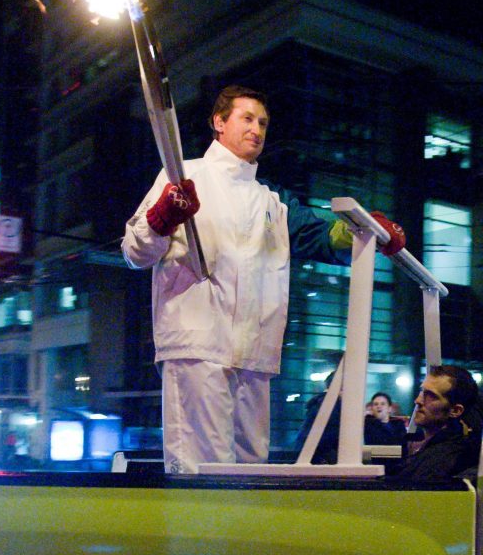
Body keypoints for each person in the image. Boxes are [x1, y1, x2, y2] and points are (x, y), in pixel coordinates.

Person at [122, 85, 405, 474]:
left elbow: (321, 236)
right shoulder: (183, 176)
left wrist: (365, 230)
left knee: (250, 469)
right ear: (219, 123)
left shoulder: (272, 202)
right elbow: (136, 251)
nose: (257, 129)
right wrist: (162, 217)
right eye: (247, 118)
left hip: (254, 354)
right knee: (202, 471)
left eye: (263, 123)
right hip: (197, 343)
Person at [395, 365, 483, 481]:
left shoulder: (442, 460)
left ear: (455, 411)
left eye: (431, 396)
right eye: (422, 392)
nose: (418, 401)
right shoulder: (428, 449)